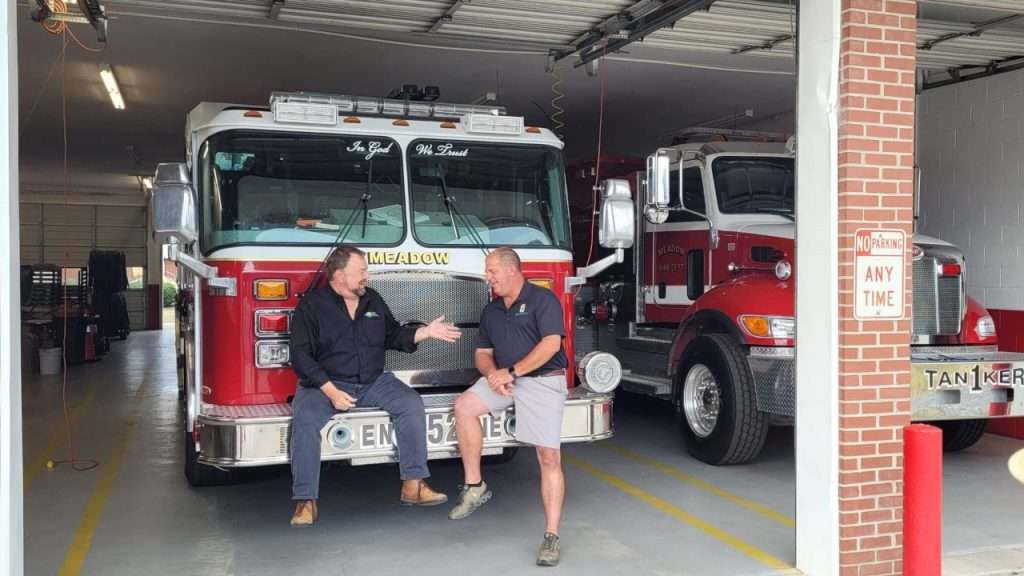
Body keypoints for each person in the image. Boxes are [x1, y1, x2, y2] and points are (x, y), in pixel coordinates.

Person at [288, 246, 462, 526]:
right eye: (362, 272)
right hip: (326, 385)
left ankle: (413, 486)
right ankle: (305, 501)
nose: (366, 277)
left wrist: (425, 332)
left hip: (372, 382)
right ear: (340, 274)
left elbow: (393, 335)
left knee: (411, 404)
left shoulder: (373, 300)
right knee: (305, 419)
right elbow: (300, 356)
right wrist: (331, 391)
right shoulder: (312, 305)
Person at [449, 247, 569, 567]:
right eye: (488, 273)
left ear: (512, 270)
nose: (488, 278)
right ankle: (475, 486)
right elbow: (482, 354)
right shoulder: (491, 311)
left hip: (543, 379)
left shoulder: (543, 301)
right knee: (464, 406)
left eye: (492, 272)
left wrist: (512, 371)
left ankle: (551, 535)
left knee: (548, 456)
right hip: (503, 380)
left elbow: (551, 345)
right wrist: (492, 375)